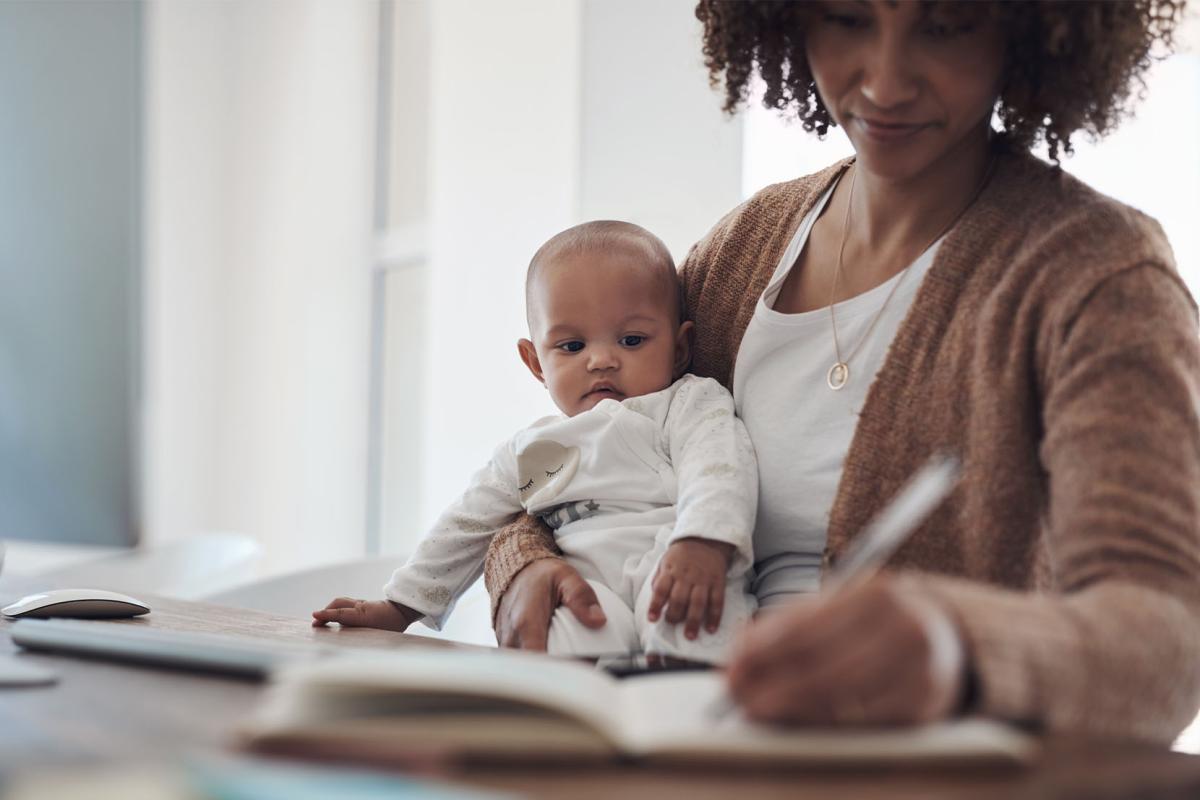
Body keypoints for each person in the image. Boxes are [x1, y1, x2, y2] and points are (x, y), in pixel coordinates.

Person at [482, 0, 1200, 742]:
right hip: (685, 746)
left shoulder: (1097, 277)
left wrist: (961, 645)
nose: (886, 82)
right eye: (849, 19)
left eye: (944, 26)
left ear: (1024, 34)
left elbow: (1169, 642)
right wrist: (521, 566)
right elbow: (586, 454)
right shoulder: (743, 252)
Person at [314, 221, 758, 661]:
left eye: (632, 339)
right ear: (535, 363)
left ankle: (687, 690)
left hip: (678, 559)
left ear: (680, 348)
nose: (601, 359)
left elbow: (719, 468)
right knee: (561, 638)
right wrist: (399, 606)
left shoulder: (687, 403)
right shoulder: (531, 451)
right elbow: (466, 527)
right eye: (571, 346)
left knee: (692, 615)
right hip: (586, 588)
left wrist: (703, 541)